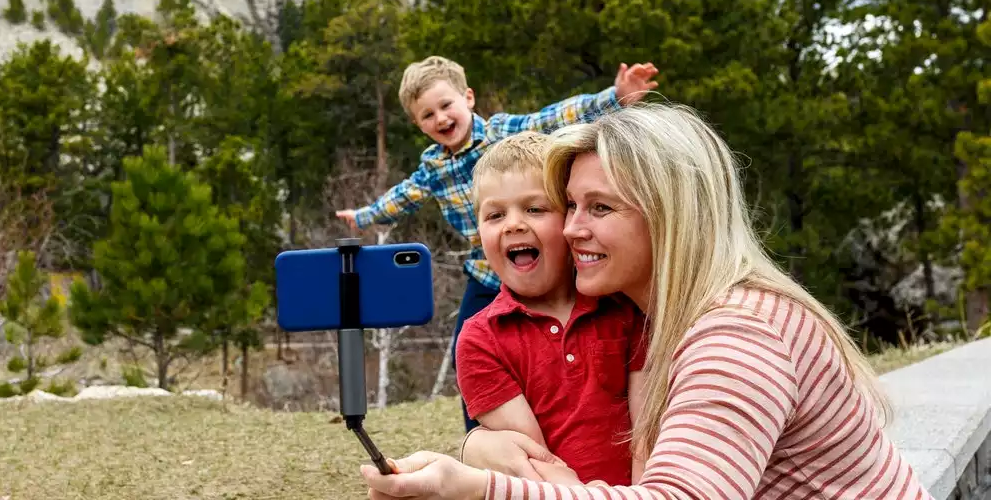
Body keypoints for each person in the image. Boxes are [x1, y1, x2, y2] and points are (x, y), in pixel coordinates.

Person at [360, 103, 934, 500]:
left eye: (600, 209)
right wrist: (479, 445)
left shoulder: (737, 337)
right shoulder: (685, 316)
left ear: (670, 216)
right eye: (572, 206)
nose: (573, 229)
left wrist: (472, 484)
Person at [336, 55, 660, 431]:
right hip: (485, 270)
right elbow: (400, 198)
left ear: (468, 98)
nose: (440, 119)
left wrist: (614, 97)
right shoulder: (432, 168)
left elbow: (553, 117)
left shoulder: (502, 133)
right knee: (468, 348)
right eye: (427, 115)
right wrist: (362, 218)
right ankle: (480, 432)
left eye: (446, 106)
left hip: (547, 261)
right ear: (417, 124)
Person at [457, 131, 648, 486]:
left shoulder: (624, 307)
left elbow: (646, 434)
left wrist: (642, 494)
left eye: (535, 209)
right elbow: (532, 461)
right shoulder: (480, 340)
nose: (514, 223)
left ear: (569, 222)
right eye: (495, 215)